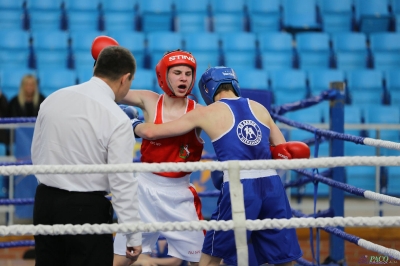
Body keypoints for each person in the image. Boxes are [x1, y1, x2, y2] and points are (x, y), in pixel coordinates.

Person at [134, 66, 310, 266]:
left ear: (207, 90)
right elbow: (282, 150)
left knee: (210, 258)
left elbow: (154, 132)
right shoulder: (259, 108)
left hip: (240, 187)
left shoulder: (207, 113)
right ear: (235, 84)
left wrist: (133, 124)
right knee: (284, 259)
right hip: (273, 186)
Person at [31, 45, 142, 266]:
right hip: (86, 208)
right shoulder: (117, 118)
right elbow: (121, 182)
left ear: (96, 69)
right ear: (125, 78)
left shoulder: (53, 99)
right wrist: (133, 234)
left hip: (45, 201)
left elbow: (37, 153)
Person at [111, 49, 205, 266]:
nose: (183, 78)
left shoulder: (199, 112)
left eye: (188, 74)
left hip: (180, 195)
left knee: (202, 260)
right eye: (177, 72)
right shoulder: (150, 100)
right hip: (143, 190)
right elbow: (110, 90)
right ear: (164, 75)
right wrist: (105, 65)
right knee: (122, 258)